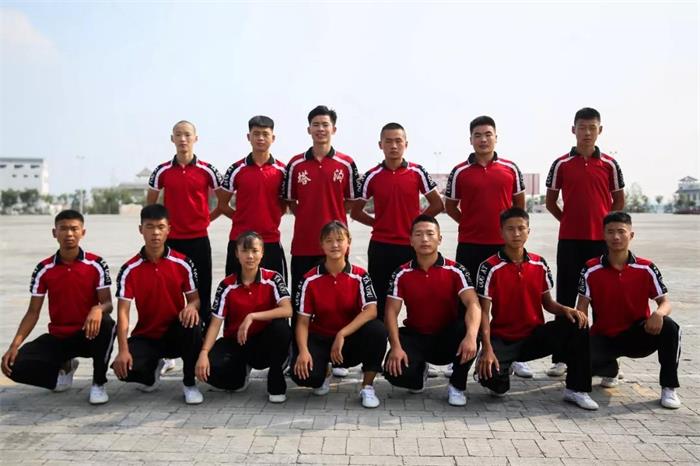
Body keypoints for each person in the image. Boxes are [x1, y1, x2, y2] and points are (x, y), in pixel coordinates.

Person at [475, 208, 598, 410]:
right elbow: (483, 312)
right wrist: (487, 349)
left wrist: (567, 310)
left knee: (578, 323)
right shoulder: (489, 267)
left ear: (528, 231)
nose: (516, 234)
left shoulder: (539, 263)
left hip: (534, 336)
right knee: (494, 385)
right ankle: (498, 367)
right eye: (510, 229)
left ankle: (576, 389)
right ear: (501, 232)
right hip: (504, 339)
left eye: (521, 228)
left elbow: (548, 304)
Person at [444, 116, 532, 379]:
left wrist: (509, 232)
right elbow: (450, 206)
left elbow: (518, 206)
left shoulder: (510, 169)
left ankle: (514, 356)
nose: (483, 139)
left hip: (502, 247)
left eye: (488, 134)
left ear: (496, 137)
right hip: (470, 245)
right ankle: (459, 356)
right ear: (471, 139)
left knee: (507, 302)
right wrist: (469, 223)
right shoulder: (459, 171)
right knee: (466, 301)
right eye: (478, 135)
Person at [1, 210, 115, 405]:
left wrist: (97, 309)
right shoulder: (43, 268)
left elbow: (108, 304)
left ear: (82, 232)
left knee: (107, 324)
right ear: (55, 233)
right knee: (12, 365)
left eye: (74, 229)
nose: (69, 233)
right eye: (63, 229)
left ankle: (98, 383)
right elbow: (33, 312)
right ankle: (62, 371)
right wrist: (13, 346)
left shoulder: (96, 264)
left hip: (88, 333)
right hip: (59, 337)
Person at [545, 107, 625, 377]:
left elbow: (618, 200)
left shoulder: (610, 165)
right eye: (582, 127)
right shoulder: (561, 164)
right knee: (566, 298)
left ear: (600, 130)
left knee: (602, 301)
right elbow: (550, 202)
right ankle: (561, 357)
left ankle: (605, 363)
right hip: (569, 241)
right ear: (573, 130)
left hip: (600, 244)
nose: (587, 133)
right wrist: (567, 220)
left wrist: (606, 228)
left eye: (592, 128)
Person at [577, 211, 681, 409]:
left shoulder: (647, 267)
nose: (616, 237)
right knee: (577, 356)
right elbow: (581, 308)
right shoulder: (590, 268)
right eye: (610, 232)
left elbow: (665, 303)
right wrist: (579, 341)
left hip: (638, 335)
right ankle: (610, 368)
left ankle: (669, 387)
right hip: (604, 337)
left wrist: (658, 313)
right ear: (603, 235)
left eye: (621, 232)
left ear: (631, 235)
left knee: (670, 327)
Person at [111, 204, 204, 405]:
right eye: (150, 226)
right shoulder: (129, 269)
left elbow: (195, 300)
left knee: (194, 322)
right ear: (141, 229)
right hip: (147, 335)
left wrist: (190, 307)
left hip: (176, 333)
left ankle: (189, 383)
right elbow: (123, 314)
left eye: (161, 227)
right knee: (124, 370)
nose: (155, 232)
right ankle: (152, 371)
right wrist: (123, 350)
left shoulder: (183, 263)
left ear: (169, 229)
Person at [383, 215, 480, 406]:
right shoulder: (401, 273)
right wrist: (395, 347)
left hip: (448, 338)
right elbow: (390, 312)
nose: (425, 239)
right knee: (394, 372)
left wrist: (471, 336)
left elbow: (473, 303)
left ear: (439, 239)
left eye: (430, 234)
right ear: (411, 240)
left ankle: (457, 386)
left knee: (468, 331)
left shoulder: (456, 270)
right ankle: (419, 373)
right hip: (417, 336)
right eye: (418, 234)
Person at [351, 122, 443, 322]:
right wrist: (378, 223)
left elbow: (437, 204)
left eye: (398, 141)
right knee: (379, 302)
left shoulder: (417, 172)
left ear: (406, 144)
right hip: (381, 247)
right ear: (380, 145)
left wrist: (417, 226)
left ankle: (414, 338)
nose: (393, 145)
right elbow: (356, 212)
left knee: (418, 299)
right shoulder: (371, 176)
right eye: (388, 141)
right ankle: (381, 338)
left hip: (412, 247)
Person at [291, 221, 387, 408]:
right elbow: (302, 321)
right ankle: (324, 372)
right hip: (321, 338)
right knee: (303, 376)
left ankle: (367, 386)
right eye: (329, 240)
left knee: (377, 330)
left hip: (349, 341)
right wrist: (303, 351)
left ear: (348, 242)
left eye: (339, 240)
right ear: (321, 244)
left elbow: (371, 310)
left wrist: (342, 334)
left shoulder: (360, 275)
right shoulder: (309, 278)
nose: (335, 245)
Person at [196, 231, 292, 403]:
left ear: (262, 253)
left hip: (265, 344)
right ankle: (239, 377)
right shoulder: (226, 285)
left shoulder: (273, 278)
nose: (250, 256)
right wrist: (204, 353)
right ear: (236, 253)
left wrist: (252, 316)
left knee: (281, 328)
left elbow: (288, 310)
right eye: (245, 251)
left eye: (254, 251)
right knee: (207, 369)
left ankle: (276, 378)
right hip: (238, 342)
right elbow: (215, 324)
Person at [147, 120, 222, 330]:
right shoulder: (161, 171)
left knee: (202, 291)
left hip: (199, 241)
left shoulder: (208, 170)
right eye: (178, 135)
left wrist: (206, 219)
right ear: (172, 139)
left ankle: (202, 340)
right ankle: (167, 342)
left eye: (187, 134)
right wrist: (160, 229)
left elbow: (224, 203)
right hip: (171, 243)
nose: (183, 139)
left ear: (195, 138)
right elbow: (151, 206)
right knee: (169, 293)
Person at [282, 105, 360, 302]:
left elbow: (351, 200)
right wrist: (307, 215)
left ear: (334, 129)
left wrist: (334, 214)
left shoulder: (346, 163)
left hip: (337, 244)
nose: (320, 129)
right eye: (315, 125)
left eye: (325, 124)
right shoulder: (295, 164)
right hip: (304, 244)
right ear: (309, 129)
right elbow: (290, 200)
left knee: (338, 299)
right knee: (301, 300)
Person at [218, 116, 288, 282]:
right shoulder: (235, 169)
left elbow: (284, 206)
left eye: (265, 134)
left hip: (270, 241)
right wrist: (241, 218)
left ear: (273, 138)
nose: (260, 138)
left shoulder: (282, 171)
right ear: (248, 137)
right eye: (256, 134)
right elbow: (222, 204)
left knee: (275, 290)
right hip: (239, 240)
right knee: (235, 289)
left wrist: (268, 219)